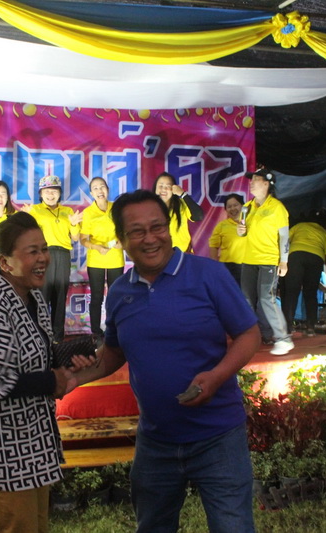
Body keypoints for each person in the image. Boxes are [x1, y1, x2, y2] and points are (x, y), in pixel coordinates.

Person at [73, 189, 260, 533]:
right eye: (137, 231)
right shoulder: (120, 292)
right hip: (155, 441)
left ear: (169, 227)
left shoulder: (209, 274)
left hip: (218, 437)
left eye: (157, 227)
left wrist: (217, 376)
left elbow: (249, 334)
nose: (150, 239)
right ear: (121, 239)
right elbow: (114, 352)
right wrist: (71, 379)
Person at [0, 212, 94, 533]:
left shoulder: (31, 298)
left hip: (30, 443)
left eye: (44, 249)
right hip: (4, 449)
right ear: (5, 263)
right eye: (33, 251)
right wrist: (51, 380)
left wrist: (70, 359)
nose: (44, 257)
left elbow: (34, 356)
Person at [238, 166, 293, 356]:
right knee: (247, 300)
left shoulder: (277, 207)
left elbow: (284, 236)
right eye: (251, 180)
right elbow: (243, 232)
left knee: (266, 298)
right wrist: (241, 231)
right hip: (248, 259)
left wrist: (284, 261)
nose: (251, 183)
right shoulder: (246, 207)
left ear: (267, 183)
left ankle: (284, 339)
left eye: (256, 180)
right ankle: (251, 337)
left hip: (269, 260)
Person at [23, 175, 82, 343]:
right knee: (42, 294)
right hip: (42, 254)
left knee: (60, 294)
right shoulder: (34, 210)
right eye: (47, 191)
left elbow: (75, 238)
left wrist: (73, 224)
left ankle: (57, 337)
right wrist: (27, 218)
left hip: (63, 255)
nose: (51, 195)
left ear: (60, 193)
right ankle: (40, 336)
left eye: (54, 191)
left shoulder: (67, 211)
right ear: (41, 194)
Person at [79, 177, 124, 339]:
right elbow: (83, 239)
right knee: (97, 296)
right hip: (96, 259)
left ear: (108, 189)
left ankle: (114, 330)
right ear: (91, 193)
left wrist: (122, 242)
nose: (100, 190)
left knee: (115, 295)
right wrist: (96, 247)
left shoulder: (117, 209)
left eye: (102, 187)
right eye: (96, 188)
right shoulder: (88, 213)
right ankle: (96, 332)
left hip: (115, 257)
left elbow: (125, 231)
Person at [281, 220, 326, 337]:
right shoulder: (324, 233)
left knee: (291, 291)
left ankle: (287, 327)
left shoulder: (299, 226)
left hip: (296, 255)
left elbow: (284, 239)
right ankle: (311, 327)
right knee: (310, 293)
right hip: (316, 258)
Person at [153, 172, 204, 253]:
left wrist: (183, 194)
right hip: (158, 255)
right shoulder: (149, 208)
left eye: (168, 186)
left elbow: (198, 216)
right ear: (155, 189)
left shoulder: (181, 204)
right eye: (160, 186)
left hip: (182, 254)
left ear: (174, 189)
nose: (164, 189)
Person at [208, 193, 246, 288]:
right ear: (225, 210)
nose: (232, 209)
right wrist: (215, 266)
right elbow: (213, 246)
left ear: (243, 206)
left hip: (249, 266)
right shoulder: (221, 226)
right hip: (228, 267)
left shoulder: (251, 223)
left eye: (235, 205)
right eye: (229, 207)